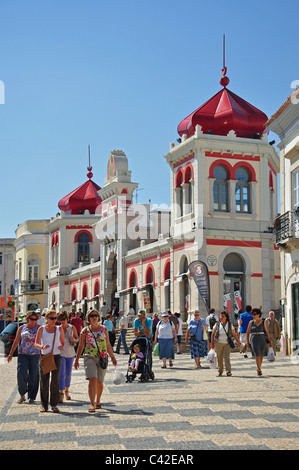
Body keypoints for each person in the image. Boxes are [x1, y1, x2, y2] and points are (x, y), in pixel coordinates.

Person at [74, 309, 117, 413]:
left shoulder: (104, 329)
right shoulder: (85, 331)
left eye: (96, 315)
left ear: (98, 317)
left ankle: (98, 401)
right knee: (92, 379)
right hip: (89, 357)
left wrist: (112, 357)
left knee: (100, 381)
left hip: (102, 357)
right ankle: (92, 403)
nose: (94, 317)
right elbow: (81, 345)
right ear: (88, 318)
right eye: (92, 316)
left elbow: (107, 344)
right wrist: (76, 359)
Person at [34, 310, 65, 413]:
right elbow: (36, 344)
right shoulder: (41, 329)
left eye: (55, 318)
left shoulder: (59, 329)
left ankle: (54, 404)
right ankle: (44, 405)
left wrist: (61, 346)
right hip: (45, 356)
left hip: (56, 356)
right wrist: (42, 346)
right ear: (46, 318)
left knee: (55, 381)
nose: (54, 320)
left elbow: (62, 342)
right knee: (44, 381)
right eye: (52, 318)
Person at [7, 311, 40, 404]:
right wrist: (10, 354)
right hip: (23, 354)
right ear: (27, 319)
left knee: (34, 375)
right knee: (21, 373)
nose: (33, 321)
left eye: (35, 319)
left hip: (35, 354)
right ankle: (22, 394)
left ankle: (32, 396)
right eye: (31, 319)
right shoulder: (22, 328)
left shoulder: (39, 328)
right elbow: (17, 341)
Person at [57, 311, 78, 402]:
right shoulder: (58, 328)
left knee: (68, 374)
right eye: (61, 319)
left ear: (67, 319)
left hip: (70, 353)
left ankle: (67, 391)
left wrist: (74, 339)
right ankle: (61, 392)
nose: (62, 321)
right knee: (61, 374)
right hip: (61, 353)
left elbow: (77, 338)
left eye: (64, 319)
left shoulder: (71, 327)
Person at [211, 311, 240, 376]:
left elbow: (234, 334)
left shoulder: (230, 325)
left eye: (223, 316)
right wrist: (212, 343)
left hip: (227, 343)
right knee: (219, 357)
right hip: (218, 343)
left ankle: (228, 371)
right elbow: (213, 334)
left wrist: (238, 342)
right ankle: (220, 371)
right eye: (220, 316)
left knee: (227, 357)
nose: (221, 317)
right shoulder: (217, 324)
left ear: (226, 317)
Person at [246, 308, 272, 376]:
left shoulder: (263, 322)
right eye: (252, 314)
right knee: (257, 354)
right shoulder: (251, 322)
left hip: (262, 338)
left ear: (258, 314)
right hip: (254, 339)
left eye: (255, 314)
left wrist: (270, 341)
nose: (253, 316)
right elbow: (248, 332)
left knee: (261, 355)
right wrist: (248, 342)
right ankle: (259, 368)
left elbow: (266, 331)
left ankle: (259, 368)